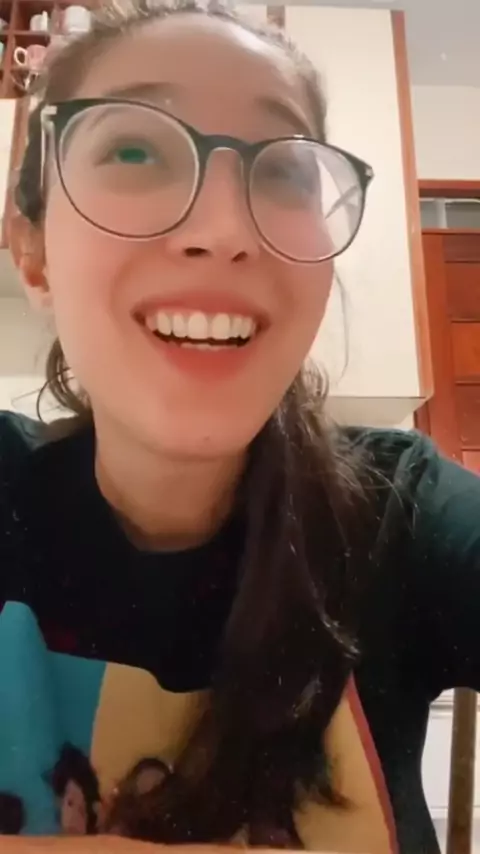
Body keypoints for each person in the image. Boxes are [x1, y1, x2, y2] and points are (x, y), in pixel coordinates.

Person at [1, 0, 480, 852]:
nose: (224, 230)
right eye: (135, 150)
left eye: (283, 169)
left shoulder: (401, 515)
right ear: (33, 254)